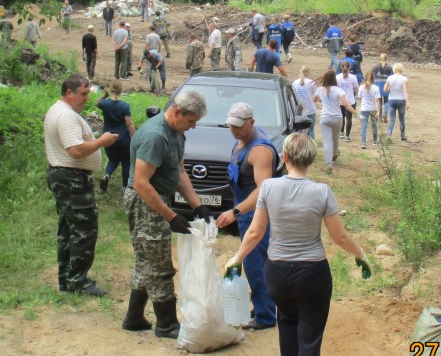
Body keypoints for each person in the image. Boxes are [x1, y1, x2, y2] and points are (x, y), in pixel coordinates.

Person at [224, 133, 372, 356]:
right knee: (310, 338)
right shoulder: (322, 192)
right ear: (310, 160)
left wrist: (236, 259)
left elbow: (254, 232)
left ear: (286, 158)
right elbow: (338, 235)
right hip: (312, 273)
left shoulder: (268, 188)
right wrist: (360, 254)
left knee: (287, 320)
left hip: (277, 271)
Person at [122, 91, 212, 338]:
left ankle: (133, 318)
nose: (193, 127)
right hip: (144, 201)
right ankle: (166, 324)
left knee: (147, 260)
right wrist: (170, 216)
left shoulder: (177, 133)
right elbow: (141, 183)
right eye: (191, 121)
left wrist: (197, 205)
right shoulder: (155, 136)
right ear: (177, 112)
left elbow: (179, 170)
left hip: (157, 197)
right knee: (159, 263)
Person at [44, 74, 119, 297]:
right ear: (69, 92)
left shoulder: (58, 111)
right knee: (84, 229)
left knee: (68, 229)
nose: (87, 98)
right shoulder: (65, 116)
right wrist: (101, 142)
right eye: (83, 94)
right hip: (71, 178)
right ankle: (78, 281)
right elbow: (75, 150)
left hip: (65, 176)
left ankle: (68, 278)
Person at [214, 103, 280, 330]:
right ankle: (263, 306)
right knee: (253, 264)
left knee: (256, 265)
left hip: (256, 214)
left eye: (238, 127)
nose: (233, 130)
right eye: (230, 126)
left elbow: (263, 189)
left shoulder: (260, 150)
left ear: (251, 122)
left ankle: (266, 316)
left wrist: (235, 212)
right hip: (244, 210)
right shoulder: (240, 140)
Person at [97, 79, 136, 193]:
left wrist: (104, 95)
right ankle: (125, 187)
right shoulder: (124, 106)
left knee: (113, 160)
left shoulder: (105, 104)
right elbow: (129, 123)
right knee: (125, 162)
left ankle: (106, 175)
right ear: (121, 90)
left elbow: (97, 102)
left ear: (111, 89)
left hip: (108, 137)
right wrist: (134, 137)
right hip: (123, 138)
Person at [314, 69, 356, 173]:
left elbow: (314, 99)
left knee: (326, 141)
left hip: (325, 117)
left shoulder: (320, 89)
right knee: (335, 139)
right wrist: (356, 113)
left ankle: (329, 165)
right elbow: (346, 104)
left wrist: (320, 101)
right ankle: (335, 153)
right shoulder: (338, 90)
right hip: (337, 117)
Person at [384, 63, 409, 141]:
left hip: (392, 99)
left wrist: (391, 87)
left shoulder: (390, 78)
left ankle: (389, 134)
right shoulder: (404, 79)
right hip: (401, 100)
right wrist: (408, 102)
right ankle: (402, 135)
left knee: (392, 119)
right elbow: (406, 91)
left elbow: (385, 89)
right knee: (401, 118)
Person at [291, 66, 317, 140]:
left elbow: (292, 96)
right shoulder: (311, 83)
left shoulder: (295, 82)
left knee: (298, 130)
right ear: (309, 72)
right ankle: (312, 145)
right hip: (310, 109)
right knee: (311, 130)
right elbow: (316, 97)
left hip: (299, 110)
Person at [336, 61, 358, 143]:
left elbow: (335, 88)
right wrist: (356, 95)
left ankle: (341, 132)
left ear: (341, 68)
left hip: (340, 100)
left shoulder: (337, 77)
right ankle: (347, 136)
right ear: (349, 68)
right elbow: (356, 88)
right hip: (350, 101)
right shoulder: (353, 77)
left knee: (341, 117)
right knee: (349, 118)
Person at [371, 54, 393, 122]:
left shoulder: (375, 67)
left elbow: (372, 76)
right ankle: (385, 114)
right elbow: (391, 77)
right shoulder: (389, 68)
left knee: (379, 101)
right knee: (386, 100)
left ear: (380, 58)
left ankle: (379, 116)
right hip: (386, 86)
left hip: (377, 86)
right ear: (386, 59)